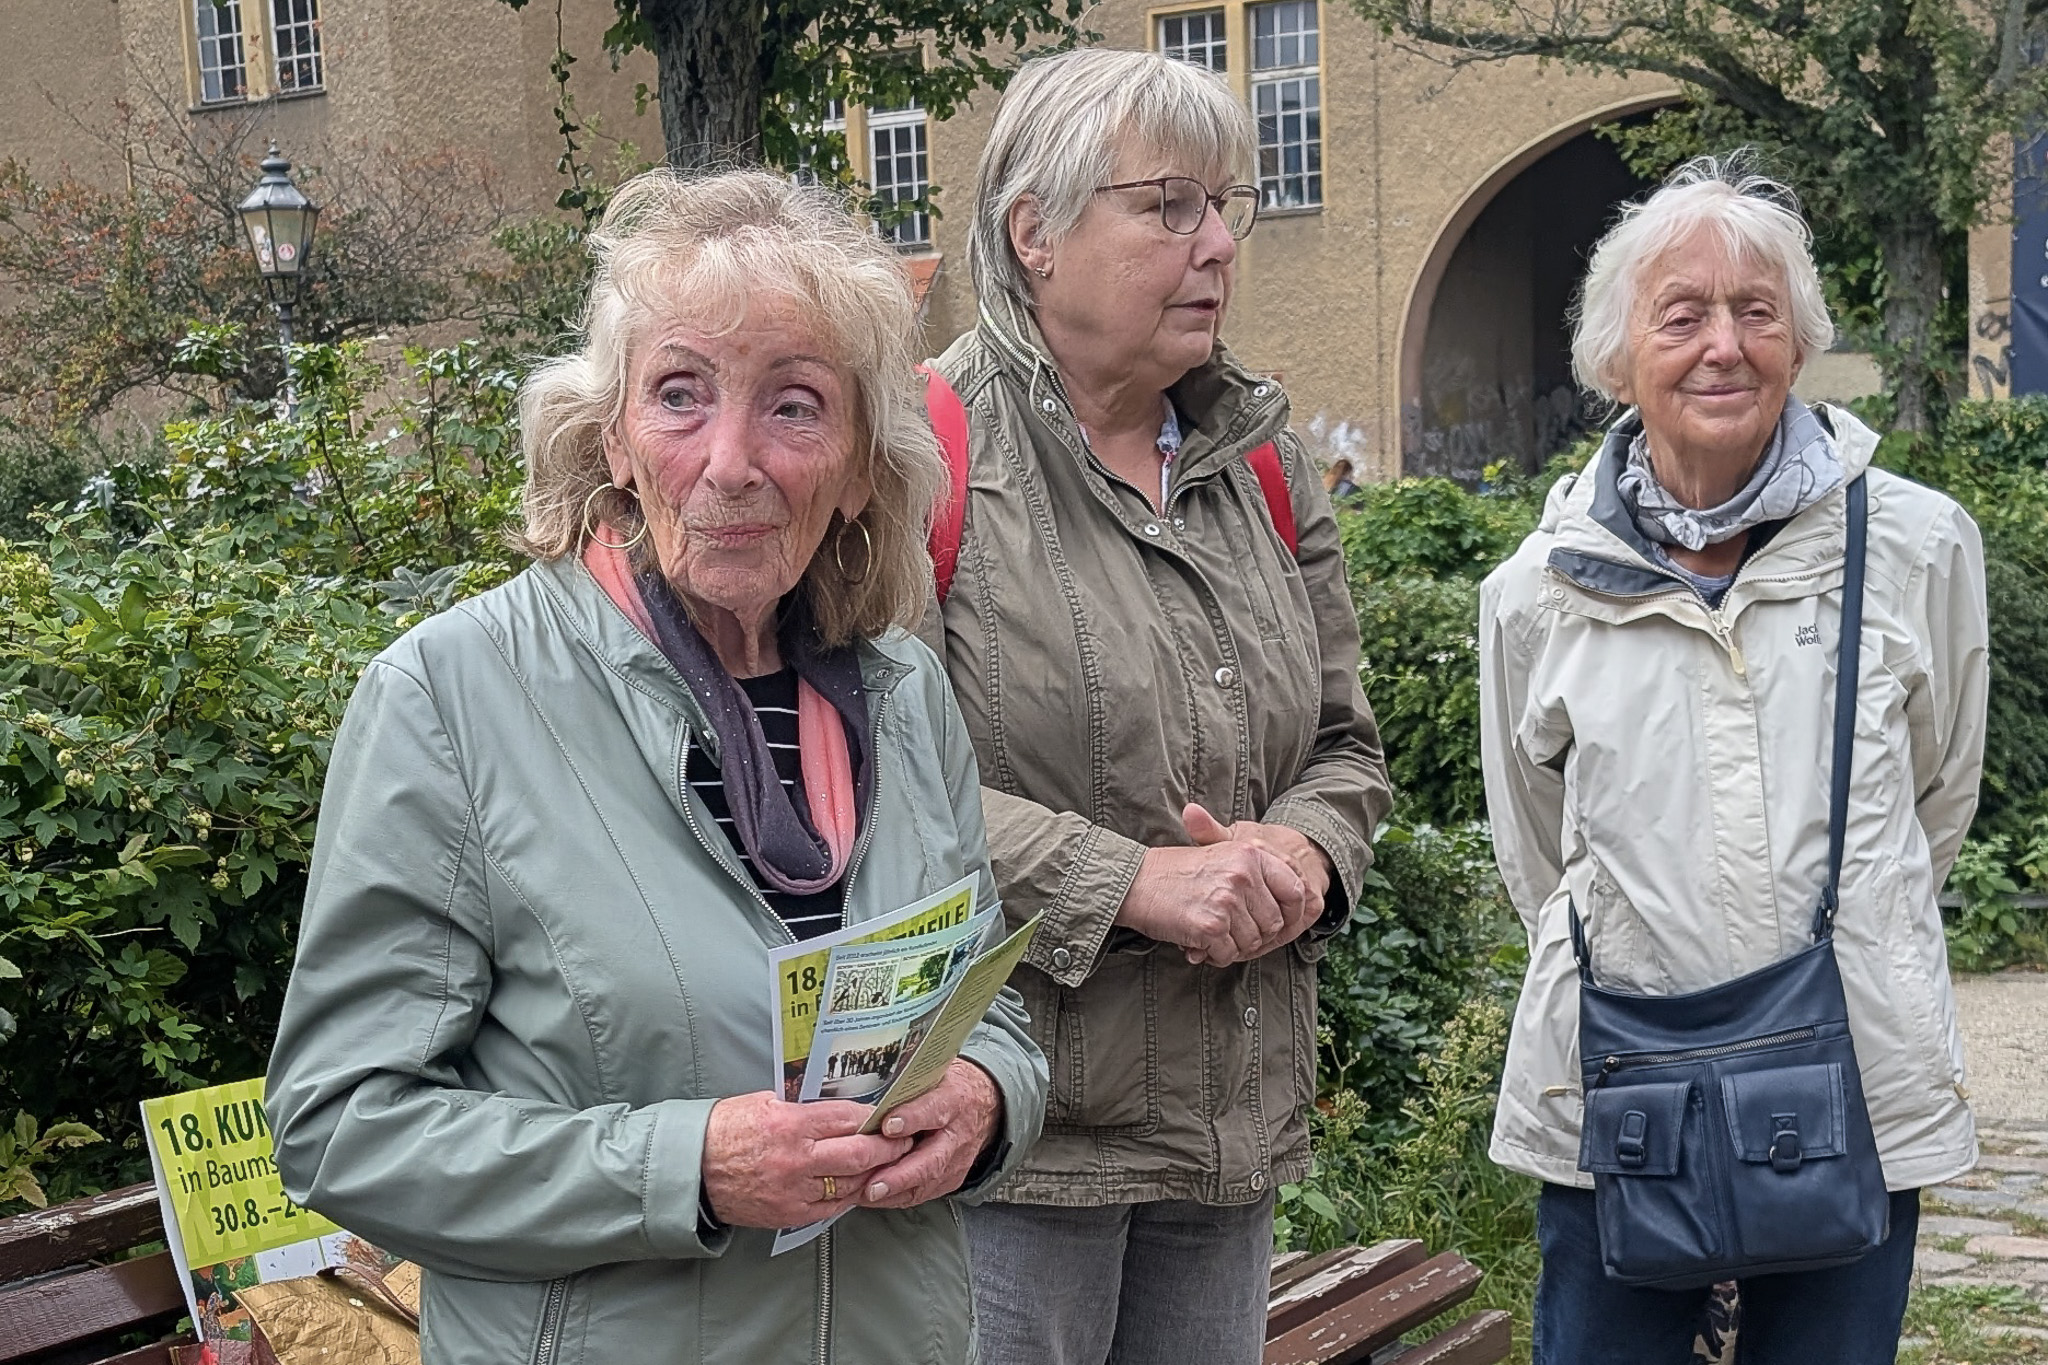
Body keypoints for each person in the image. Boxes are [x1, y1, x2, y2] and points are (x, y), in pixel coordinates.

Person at [265, 169, 1047, 1365]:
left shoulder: (903, 696)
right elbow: (342, 1130)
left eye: (794, 407)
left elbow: (989, 1016)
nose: (730, 462)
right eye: (680, 395)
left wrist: (988, 1102)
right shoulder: (450, 700)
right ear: (613, 439)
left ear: (855, 470)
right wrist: (683, 1168)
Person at [925, 48, 1393, 1365]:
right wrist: (1137, 884)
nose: (1219, 245)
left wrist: (1297, 850)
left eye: (1227, 205)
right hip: (1013, 1143)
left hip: (1224, 1124)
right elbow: (872, 802)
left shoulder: (1263, 460)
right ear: (1036, 236)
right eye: (1168, 206)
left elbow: (1349, 748)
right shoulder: (921, 458)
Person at [1480, 155, 1988, 1364]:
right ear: (1616, 358)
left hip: (1850, 1077)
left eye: (1755, 311)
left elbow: (1934, 798)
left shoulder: (1915, 548)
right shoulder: (1533, 594)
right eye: (1682, 314)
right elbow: (1536, 851)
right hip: (1619, 1092)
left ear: (1797, 342)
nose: (1723, 345)